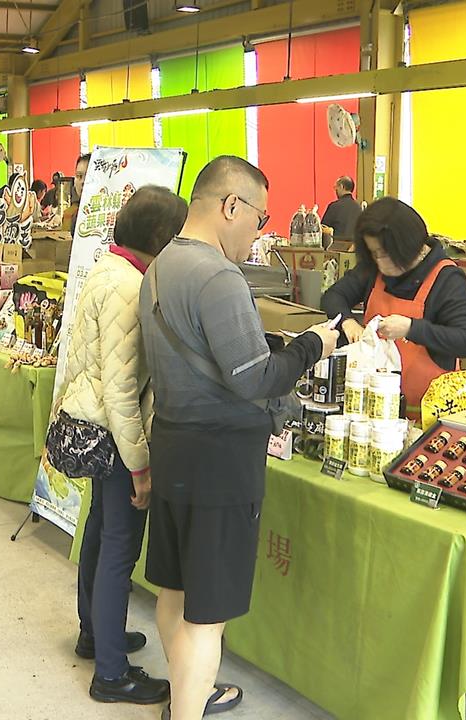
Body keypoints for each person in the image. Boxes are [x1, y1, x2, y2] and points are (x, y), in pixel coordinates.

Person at [140, 156, 339, 720]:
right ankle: (187, 710)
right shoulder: (219, 275)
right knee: (209, 616)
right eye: (259, 218)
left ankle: (184, 697)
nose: (258, 233)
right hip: (221, 461)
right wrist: (313, 345)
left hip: (173, 444)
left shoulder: (158, 268)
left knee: (175, 593)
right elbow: (255, 378)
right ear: (231, 206)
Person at [56, 187, 188, 706]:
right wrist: (140, 467)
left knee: (99, 531)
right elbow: (122, 389)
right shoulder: (129, 288)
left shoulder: (107, 270)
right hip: (113, 434)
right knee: (118, 549)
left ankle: (96, 633)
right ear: (162, 237)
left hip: (88, 423)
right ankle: (111, 673)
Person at [320, 197, 466, 419]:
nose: (380, 262)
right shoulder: (375, 269)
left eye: (385, 254)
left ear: (407, 246)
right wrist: (347, 320)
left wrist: (411, 329)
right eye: (374, 253)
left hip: (428, 417)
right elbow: (334, 295)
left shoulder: (446, 279)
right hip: (375, 411)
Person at [320, 176, 362, 242]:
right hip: (353, 249)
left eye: (336, 187)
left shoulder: (334, 206)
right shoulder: (359, 208)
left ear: (342, 187)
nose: (335, 190)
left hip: (336, 248)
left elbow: (323, 229)